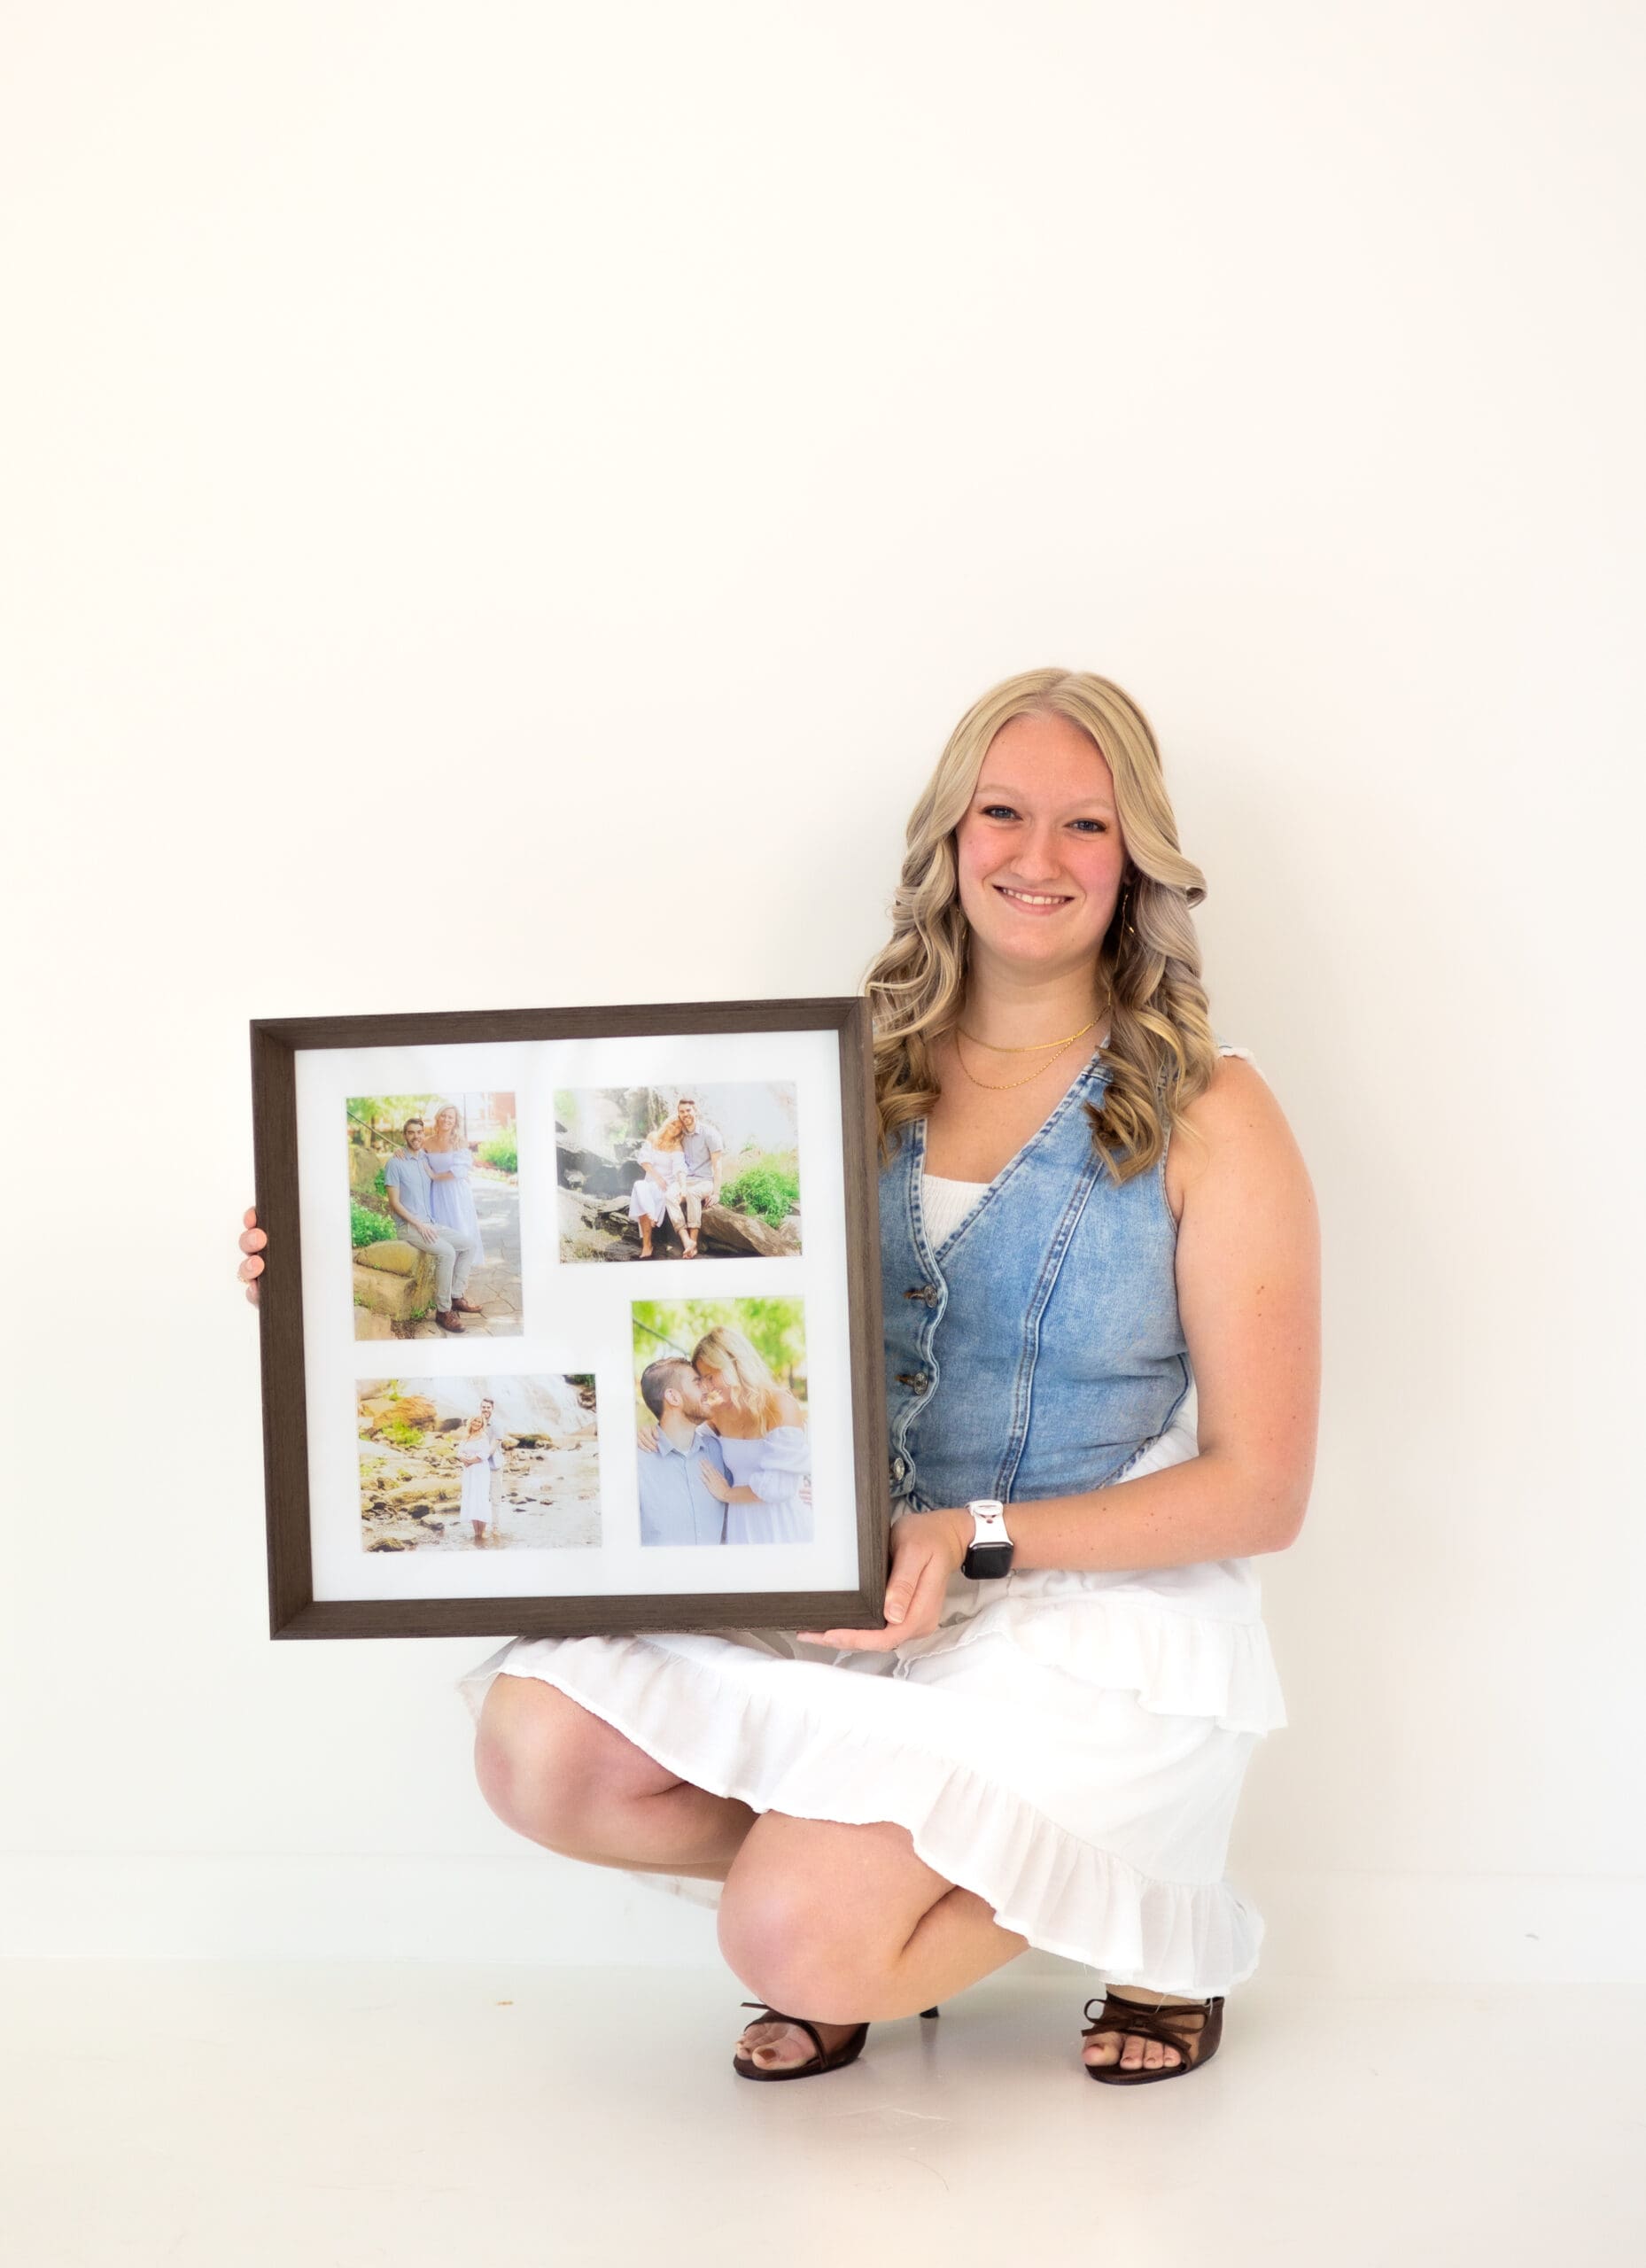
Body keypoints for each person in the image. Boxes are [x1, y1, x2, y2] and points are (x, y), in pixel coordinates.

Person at [239, 666, 1318, 2090]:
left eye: (1085, 827)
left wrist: (969, 1538)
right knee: (536, 1750)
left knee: (797, 1941)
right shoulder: (832, 1074)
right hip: (834, 1576)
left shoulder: (1209, 1112)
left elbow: (1259, 1489)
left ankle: (1145, 1912)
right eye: (1001, 814)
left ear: (1136, 866)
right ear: (947, 839)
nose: (1035, 859)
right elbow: (616, 1283)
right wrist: (322, 1275)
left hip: (1071, 1608)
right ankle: (880, 1870)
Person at [675, 1326, 812, 1546]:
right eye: (702, 1380)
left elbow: (779, 1486)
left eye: (711, 1377)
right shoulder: (718, 1414)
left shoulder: (779, 1405)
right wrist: (649, 1432)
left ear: (735, 1365)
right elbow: (679, 1437)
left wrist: (727, 1494)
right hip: (742, 1527)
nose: (708, 1388)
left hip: (786, 1525)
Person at [380, 1118, 482, 1334]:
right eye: (410, 1133)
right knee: (447, 1252)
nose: (416, 1136)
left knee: (469, 1245)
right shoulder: (395, 1163)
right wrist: (418, 1224)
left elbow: (449, 1158)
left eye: (419, 1132)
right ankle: (443, 1311)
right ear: (404, 1135)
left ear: (423, 1135)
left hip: (430, 1223)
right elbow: (394, 1203)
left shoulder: (425, 1158)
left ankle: (456, 1296)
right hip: (409, 1226)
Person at [635, 1358, 733, 1546]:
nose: (707, 1389)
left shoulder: (720, 1452)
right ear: (673, 1397)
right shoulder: (636, 1464)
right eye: (697, 1382)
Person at [423, 1103, 489, 1269]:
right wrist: (399, 1152)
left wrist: (434, 1176)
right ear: (438, 1117)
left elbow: (460, 1171)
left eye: (450, 1117)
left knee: (461, 1228)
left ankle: (461, 1276)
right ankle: (446, 1270)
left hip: (456, 1192)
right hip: (436, 1193)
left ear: (455, 1121)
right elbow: (414, 1156)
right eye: (443, 1115)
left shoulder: (460, 1142)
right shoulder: (427, 1142)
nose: (446, 1119)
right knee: (443, 1230)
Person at [626, 1115, 690, 1259]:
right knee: (639, 1185)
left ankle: (647, 1245)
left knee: (641, 1193)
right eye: (673, 1124)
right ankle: (651, 1214)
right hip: (652, 1180)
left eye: (679, 1128)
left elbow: (680, 1168)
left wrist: (683, 1187)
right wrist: (657, 1177)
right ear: (667, 1122)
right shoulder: (653, 1137)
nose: (675, 1128)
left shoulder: (676, 1146)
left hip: (666, 1185)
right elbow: (644, 1160)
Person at [672, 1095, 725, 1257]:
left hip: (705, 1181)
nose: (685, 1114)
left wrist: (716, 1193)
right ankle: (685, 1239)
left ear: (696, 1111)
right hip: (687, 1180)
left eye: (688, 1110)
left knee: (693, 1194)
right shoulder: (680, 1134)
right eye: (681, 1111)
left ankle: (693, 1243)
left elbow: (717, 1165)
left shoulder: (710, 1134)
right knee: (668, 1195)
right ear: (678, 1114)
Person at [479, 1397, 516, 1539]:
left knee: (495, 1498)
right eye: (483, 1407)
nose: (485, 1409)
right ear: (480, 1408)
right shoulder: (478, 1423)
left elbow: (493, 1448)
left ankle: (495, 1527)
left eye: (488, 1407)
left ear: (492, 1409)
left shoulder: (497, 1425)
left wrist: (476, 1458)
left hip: (494, 1466)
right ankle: (481, 1527)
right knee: (481, 1498)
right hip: (480, 1467)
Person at [454, 1413, 494, 1547]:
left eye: (479, 1422)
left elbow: (485, 1454)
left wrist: (470, 1461)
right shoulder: (466, 1436)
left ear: (482, 1424)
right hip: (469, 1472)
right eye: (475, 1421)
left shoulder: (483, 1436)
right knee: (471, 1499)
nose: (477, 1424)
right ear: (470, 1422)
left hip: (480, 1471)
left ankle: (482, 1533)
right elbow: (459, 1452)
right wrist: (463, 1459)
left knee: (480, 1499)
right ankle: (476, 1533)